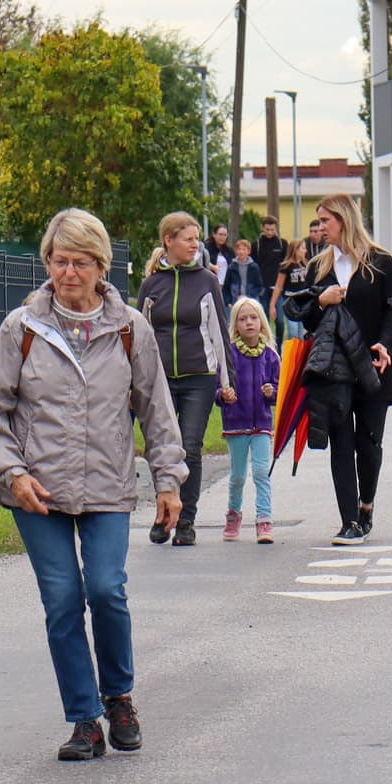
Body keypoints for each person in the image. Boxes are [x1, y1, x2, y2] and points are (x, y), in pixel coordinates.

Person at [0, 208, 187, 760]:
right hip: (36, 491)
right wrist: (13, 474)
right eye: (59, 260)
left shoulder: (129, 329)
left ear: (101, 266)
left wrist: (168, 481)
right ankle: (84, 719)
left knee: (106, 590)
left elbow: (156, 410)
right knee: (63, 601)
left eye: (81, 262)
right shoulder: (21, 328)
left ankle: (119, 696)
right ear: (47, 262)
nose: (69, 272)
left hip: (107, 486)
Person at [283, 194, 392, 545]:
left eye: (326, 220)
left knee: (369, 445)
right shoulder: (318, 267)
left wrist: (386, 344)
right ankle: (349, 521)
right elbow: (308, 319)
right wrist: (321, 301)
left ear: (344, 219)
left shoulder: (381, 262)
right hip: (332, 371)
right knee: (341, 443)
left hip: (373, 367)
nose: (320, 227)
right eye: (319, 221)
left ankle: (366, 505)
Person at [137, 211, 236, 547]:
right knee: (161, 448)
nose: (195, 245)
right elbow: (139, 337)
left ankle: (186, 522)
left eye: (197, 239)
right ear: (169, 240)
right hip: (160, 380)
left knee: (189, 447)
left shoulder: (207, 281)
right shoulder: (151, 285)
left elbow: (219, 332)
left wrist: (228, 382)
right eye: (188, 239)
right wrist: (134, 383)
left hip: (199, 378)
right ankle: (163, 514)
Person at [217, 297, 281, 543]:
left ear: (262, 322)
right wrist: (224, 396)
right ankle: (233, 514)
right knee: (238, 476)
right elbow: (217, 388)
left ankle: (264, 519)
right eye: (243, 319)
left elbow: (280, 391)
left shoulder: (271, 356)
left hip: (261, 424)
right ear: (235, 325)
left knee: (262, 472)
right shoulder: (229, 356)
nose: (249, 323)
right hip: (236, 423)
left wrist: (272, 393)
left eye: (253, 318)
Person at [271, 235, 314, 341]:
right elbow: (278, 286)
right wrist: (272, 305)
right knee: (293, 330)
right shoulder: (286, 266)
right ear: (295, 250)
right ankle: (293, 349)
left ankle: (302, 350)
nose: (305, 251)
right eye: (303, 248)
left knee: (303, 330)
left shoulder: (306, 264)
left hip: (303, 300)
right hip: (291, 300)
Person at [253, 216, 288, 337]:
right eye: (267, 229)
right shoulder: (256, 245)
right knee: (264, 320)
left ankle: (278, 344)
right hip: (262, 288)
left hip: (278, 288)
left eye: (272, 230)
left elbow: (286, 265)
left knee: (280, 321)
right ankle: (267, 342)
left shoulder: (282, 244)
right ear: (262, 228)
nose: (269, 232)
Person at [222, 238, 265, 307]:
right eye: (239, 249)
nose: (241, 252)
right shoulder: (231, 267)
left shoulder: (254, 267)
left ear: (249, 251)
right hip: (235, 300)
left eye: (244, 249)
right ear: (236, 251)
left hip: (251, 300)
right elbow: (226, 287)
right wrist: (228, 302)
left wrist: (248, 296)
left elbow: (259, 286)